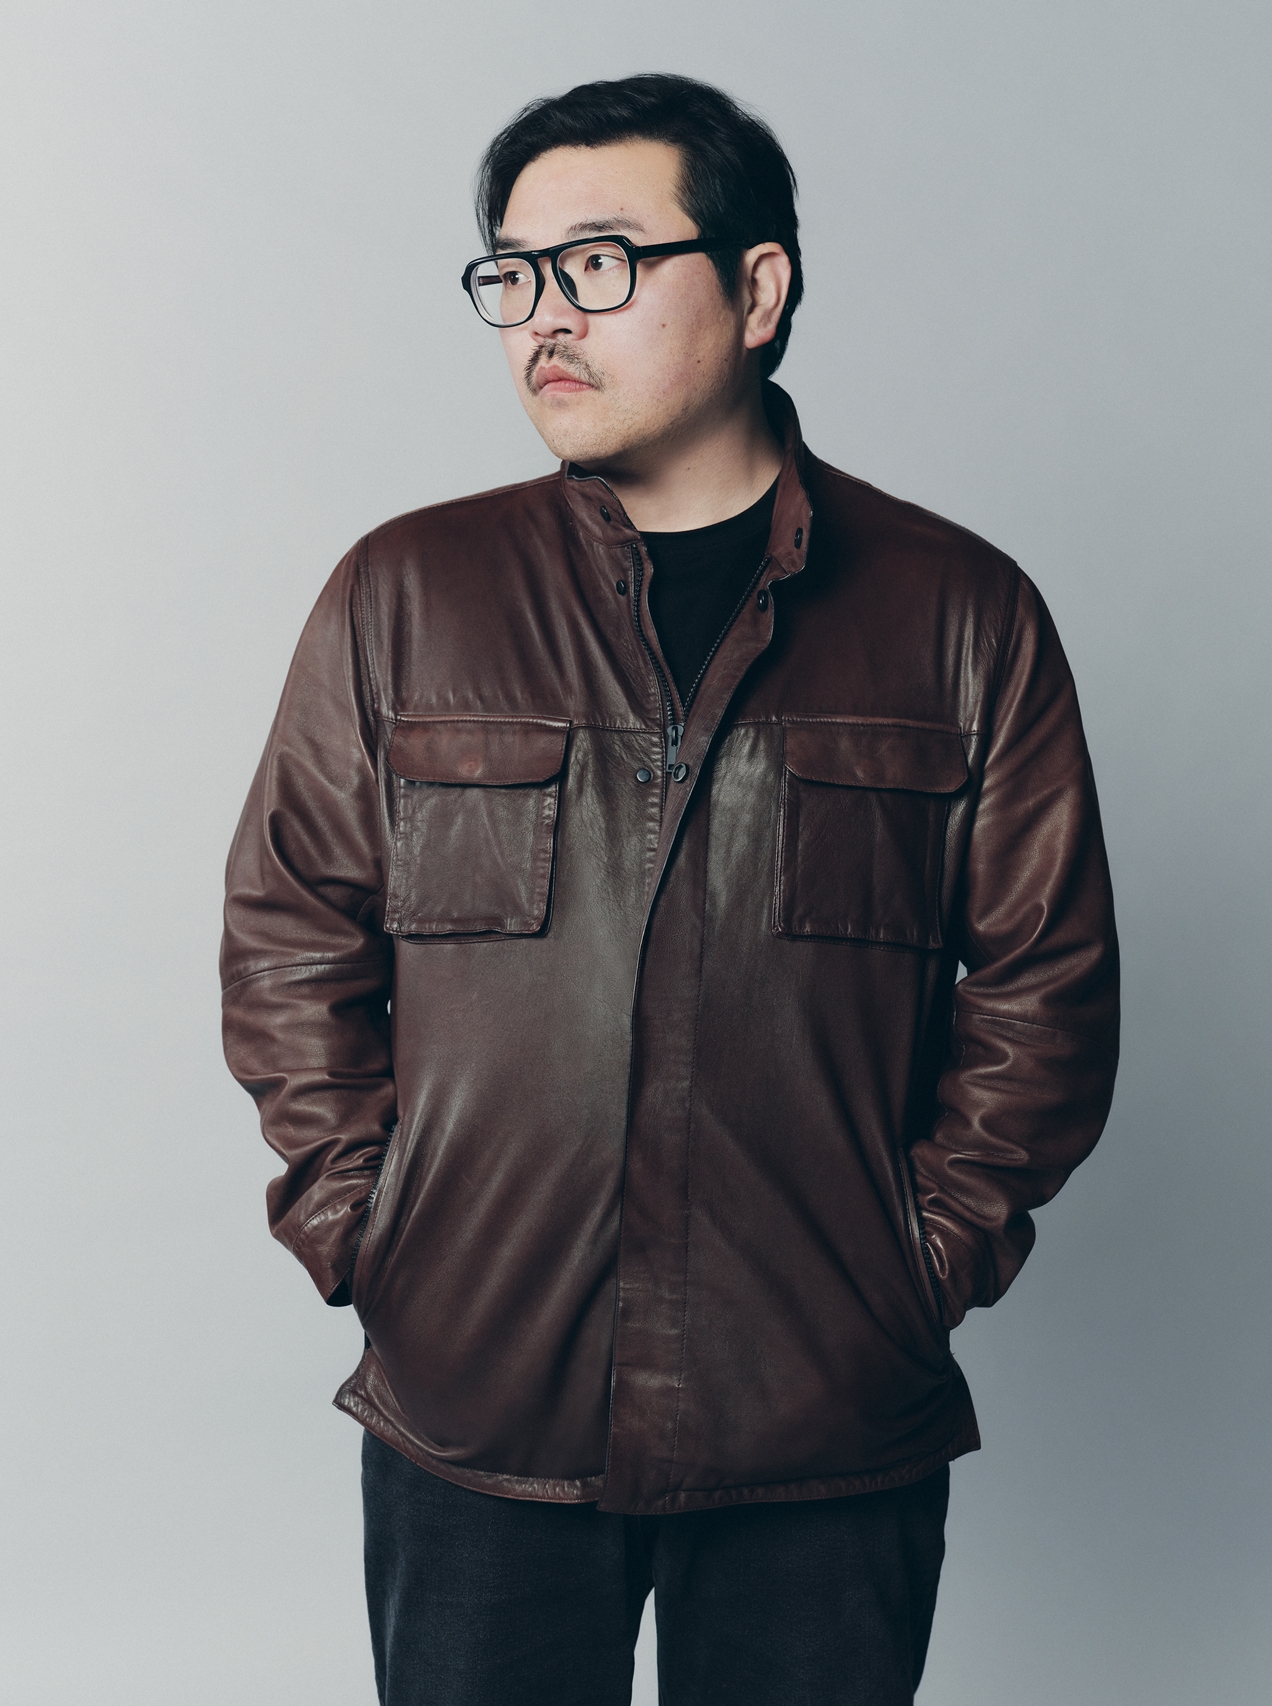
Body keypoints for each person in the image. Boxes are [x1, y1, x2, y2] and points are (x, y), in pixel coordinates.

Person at [221, 72, 1119, 1706]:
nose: (545, 319)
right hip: (478, 1409)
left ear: (758, 289)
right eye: (514, 275)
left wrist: (918, 1263)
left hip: (825, 1420)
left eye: (600, 263)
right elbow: (290, 934)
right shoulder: (405, 595)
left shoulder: (960, 615)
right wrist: (373, 1231)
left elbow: (1047, 992)